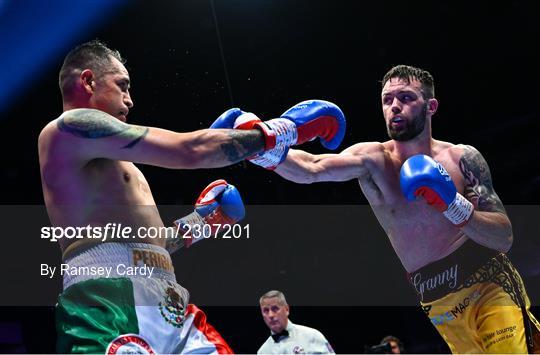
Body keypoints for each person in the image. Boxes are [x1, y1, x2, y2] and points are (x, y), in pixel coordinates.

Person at [38, 39, 345, 353]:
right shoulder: (68, 129)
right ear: (88, 81)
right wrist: (283, 130)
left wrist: (201, 223)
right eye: (122, 86)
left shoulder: (114, 163)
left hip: (166, 296)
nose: (130, 100)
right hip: (106, 302)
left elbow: (150, 246)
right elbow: (189, 150)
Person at [211, 65, 540, 353]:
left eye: (407, 97)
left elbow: (503, 236)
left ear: (431, 106)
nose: (395, 105)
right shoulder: (373, 160)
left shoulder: (461, 159)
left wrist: (452, 204)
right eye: (387, 99)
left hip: (490, 287)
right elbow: (310, 167)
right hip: (438, 304)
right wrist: (257, 144)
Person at [257, 290, 334, 354]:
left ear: (287, 309)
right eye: (266, 310)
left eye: (275, 309)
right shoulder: (263, 352)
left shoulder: (312, 336)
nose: (270, 315)